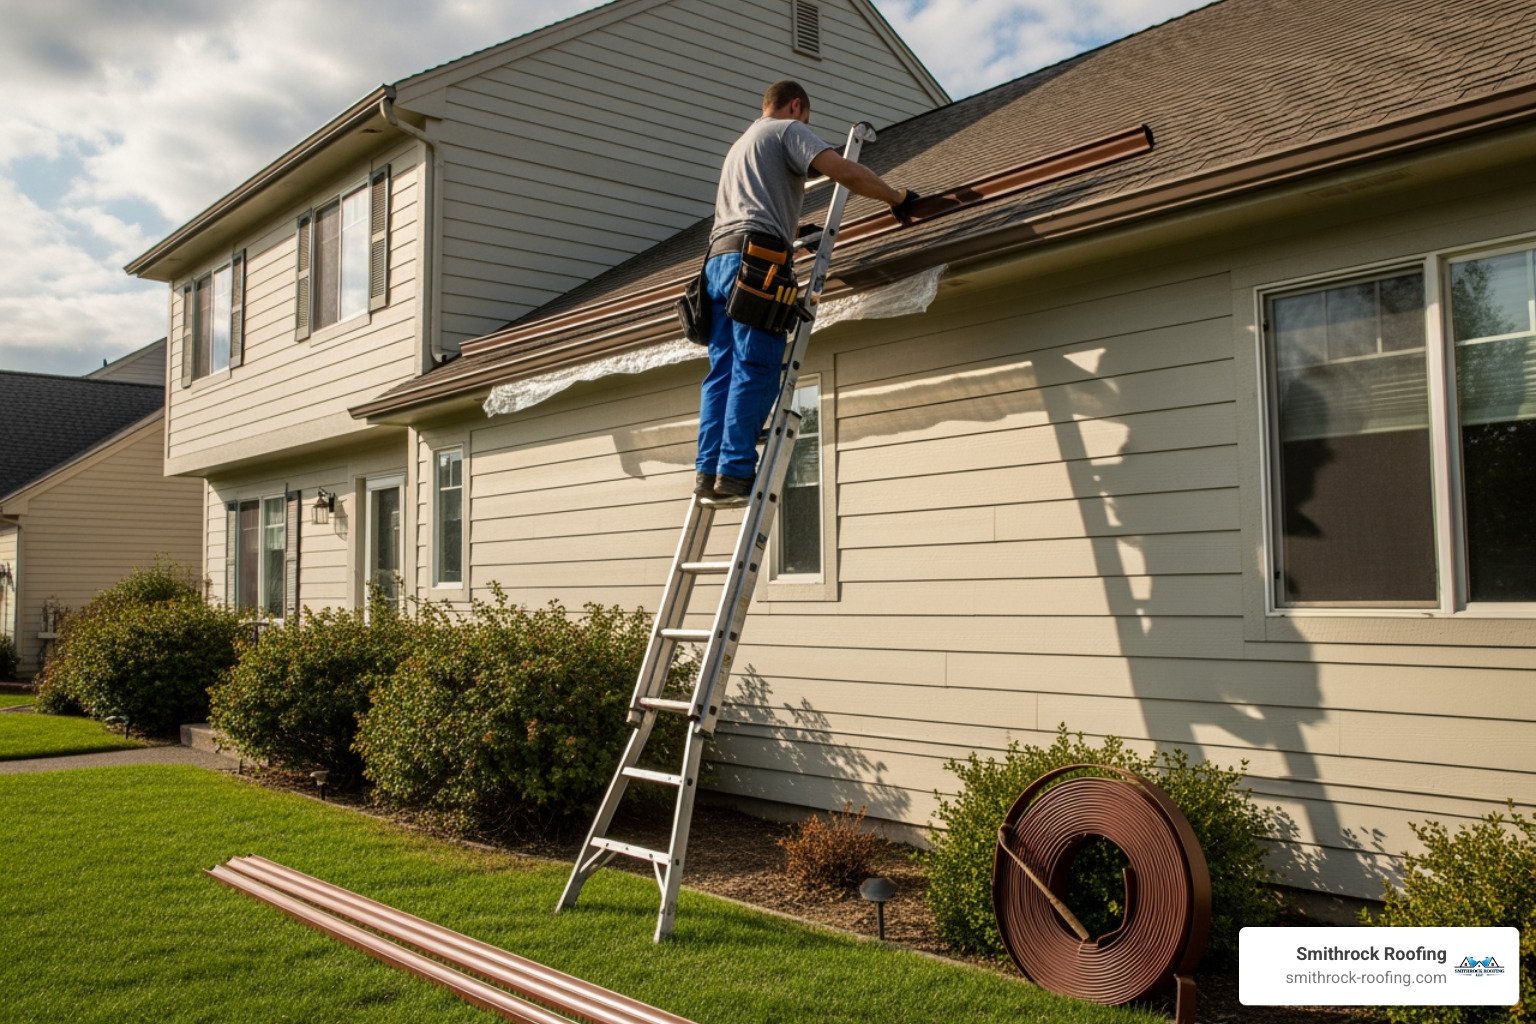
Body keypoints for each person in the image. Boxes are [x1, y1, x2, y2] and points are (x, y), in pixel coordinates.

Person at [694, 80, 916, 503]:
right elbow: (845, 173)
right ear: (796, 106)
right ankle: (736, 474)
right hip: (756, 261)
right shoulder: (787, 131)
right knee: (756, 365)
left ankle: (708, 473)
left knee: (721, 371)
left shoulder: (741, 145)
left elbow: (752, 207)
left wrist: (790, 230)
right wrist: (897, 197)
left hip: (717, 263)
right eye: (807, 118)